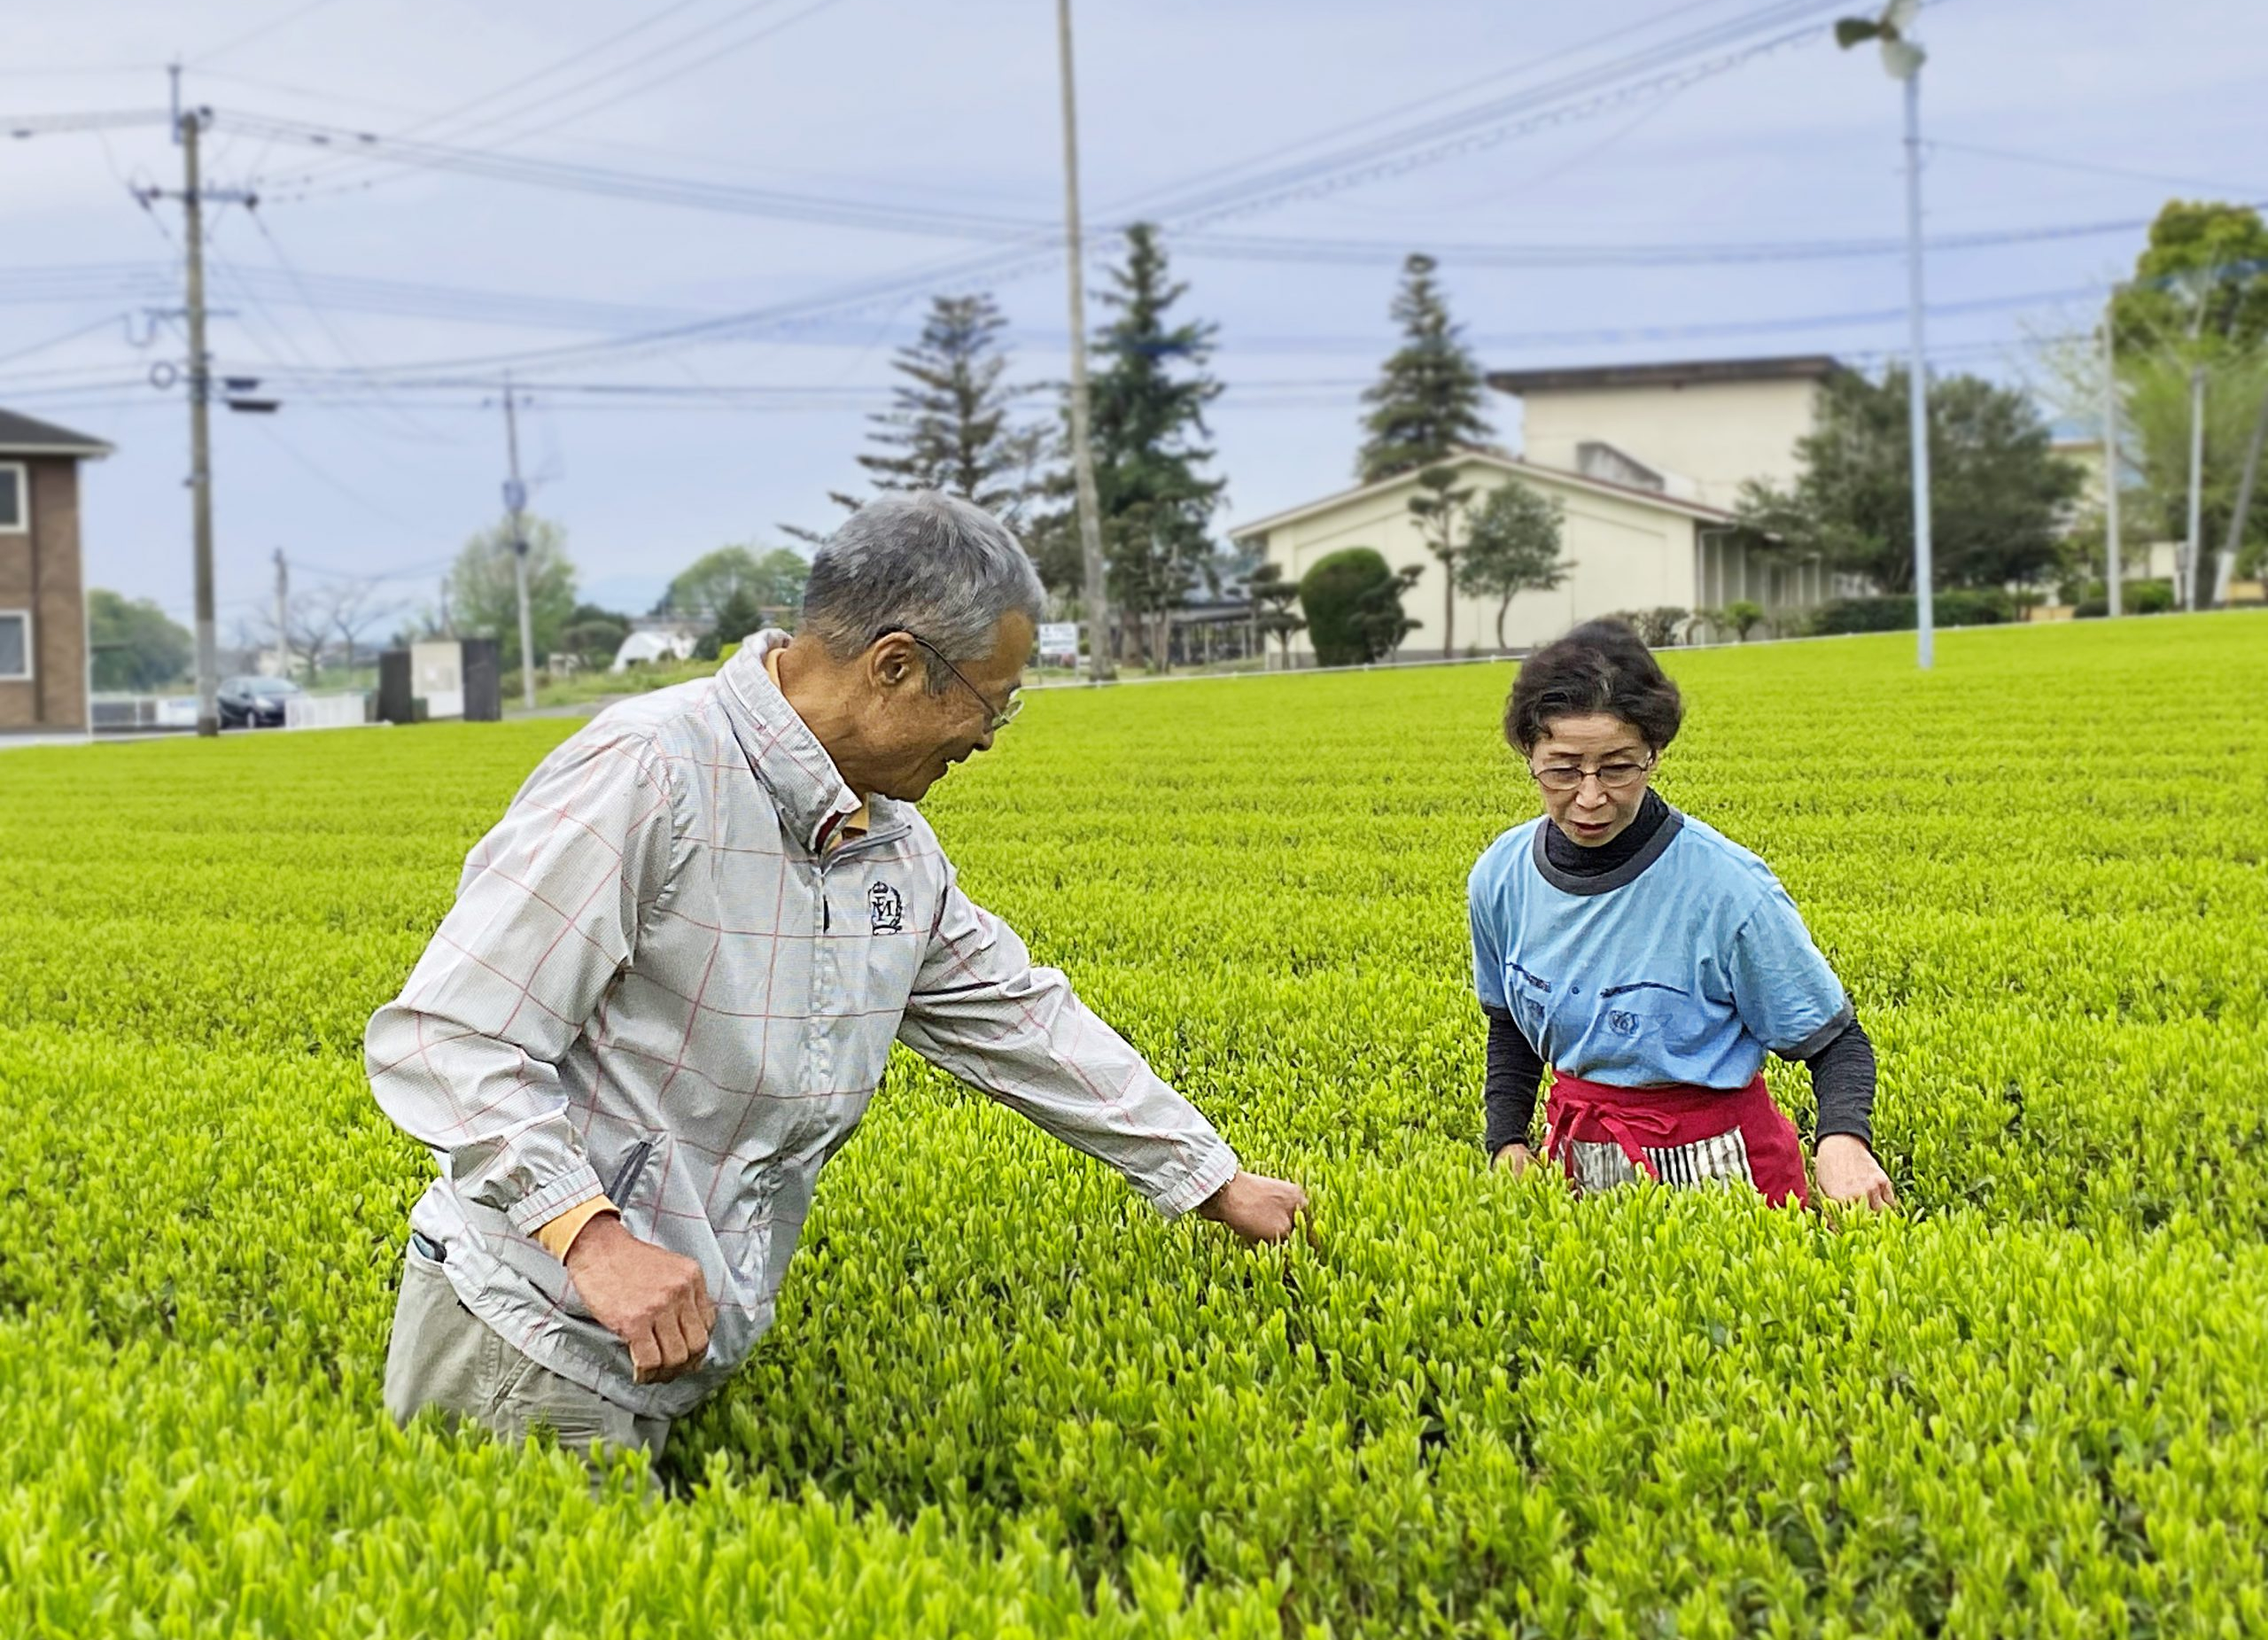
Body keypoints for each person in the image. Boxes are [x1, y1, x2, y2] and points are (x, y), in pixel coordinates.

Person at [369, 491, 1308, 1463]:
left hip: (673, 1345)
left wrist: (1208, 1179)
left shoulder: (889, 840)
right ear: (896, 665)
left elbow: (1017, 1017)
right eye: (991, 701)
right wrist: (592, 1238)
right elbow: (451, 1033)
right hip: (527, 1340)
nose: (987, 736)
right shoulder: (651, 774)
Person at [1468, 618, 1895, 1209]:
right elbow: (1510, 1024)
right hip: (1577, 1159)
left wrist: (1843, 1141)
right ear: (1529, 756)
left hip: (1726, 1167)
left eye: (1618, 767)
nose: (1590, 797)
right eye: (1563, 769)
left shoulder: (1726, 887)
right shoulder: (1501, 877)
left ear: (1655, 753)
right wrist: (1508, 1140)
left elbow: (1835, 1040)